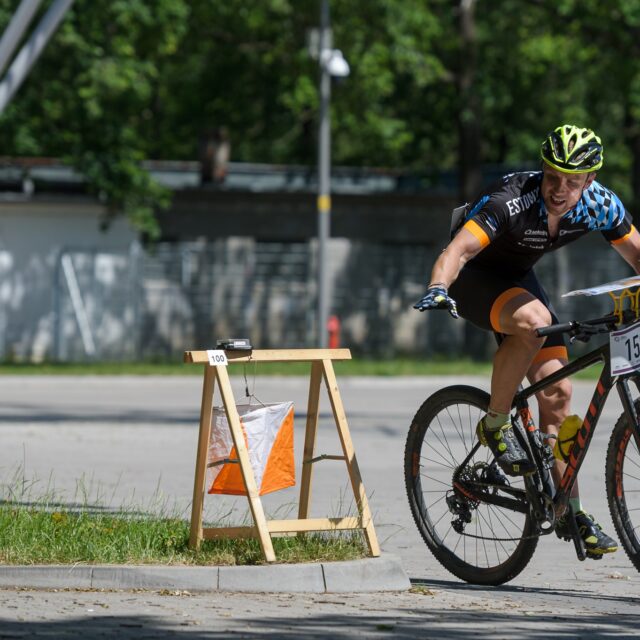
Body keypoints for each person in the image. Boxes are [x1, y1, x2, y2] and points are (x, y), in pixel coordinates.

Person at [413, 124, 640, 557]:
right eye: (553, 176)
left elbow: (638, 255)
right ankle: (495, 422)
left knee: (557, 391)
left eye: (573, 181)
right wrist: (437, 286)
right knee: (535, 320)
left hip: (518, 280)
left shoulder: (599, 205)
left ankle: (569, 511)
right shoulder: (513, 200)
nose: (560, 189)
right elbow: (458, 251)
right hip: (474, 278)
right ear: (543, 169)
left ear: (590, 180)